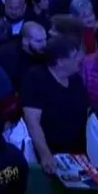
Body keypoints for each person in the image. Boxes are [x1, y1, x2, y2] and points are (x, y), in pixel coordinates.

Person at [21, 36, 90, 175]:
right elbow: (33, 122)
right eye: (75, 56)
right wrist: (45, 154)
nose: (80, 59)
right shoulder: (36, 78)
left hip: (77, 153)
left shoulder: (76, 80)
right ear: (60, 62)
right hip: (51, 151)